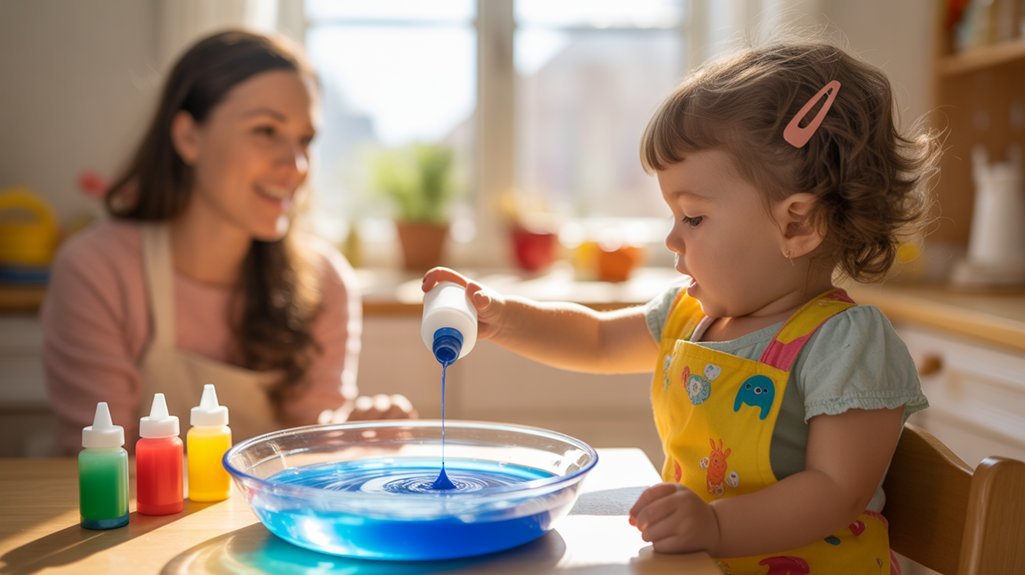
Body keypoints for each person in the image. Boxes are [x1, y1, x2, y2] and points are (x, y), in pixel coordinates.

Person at [422, 41, 940, 574]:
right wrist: (504, 316)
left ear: (797, 225)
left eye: (692, 217)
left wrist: (714, 526)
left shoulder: (845, 342)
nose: (673, 238)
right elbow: (597, 340)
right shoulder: (690, 316)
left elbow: (835, 491)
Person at [42, 29, 415, 455]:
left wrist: (348, 433)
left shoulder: (325, 282)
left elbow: (311, 456)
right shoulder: (97, 271)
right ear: (188, 137)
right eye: (266, 130)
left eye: (305, 140)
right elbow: (101, 467)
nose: (295, 165)